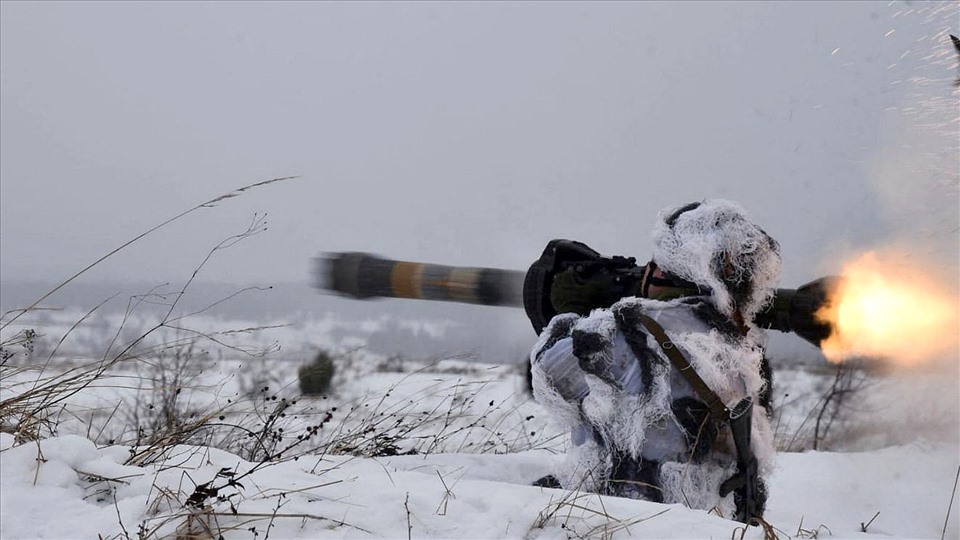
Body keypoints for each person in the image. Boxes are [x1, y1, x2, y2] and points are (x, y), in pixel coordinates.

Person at [529, 199, 780, 522]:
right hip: (712, 520)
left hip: (633, 516)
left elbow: (551, 376)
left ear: (667, 267)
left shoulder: (628, 331)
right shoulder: (738, 343)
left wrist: (573, 317)